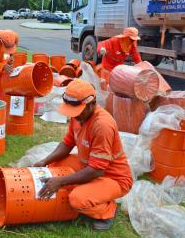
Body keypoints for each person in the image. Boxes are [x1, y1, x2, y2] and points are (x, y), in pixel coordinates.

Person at [34, 79, 133, 231]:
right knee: (54, 165)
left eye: (78, 112)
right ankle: (92, 191)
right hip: (89, 166)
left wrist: (60, 182)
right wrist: (44, 160)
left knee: (77, 200)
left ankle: (107, 210)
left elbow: (97, 170)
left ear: (92, 104)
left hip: (113, 177)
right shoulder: (78, 116)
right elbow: (67, 143)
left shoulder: (102, 125)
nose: (75, 117)